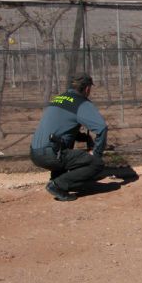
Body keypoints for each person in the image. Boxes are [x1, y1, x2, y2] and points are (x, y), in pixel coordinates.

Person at [30, 72, 108, 201]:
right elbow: (102, 128)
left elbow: (64, 128)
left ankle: (57, 180)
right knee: (96, 164)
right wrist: (97, 152)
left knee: (66, 148)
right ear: (87, 88)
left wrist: (85, 138)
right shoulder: (81, 103)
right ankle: (57, 185)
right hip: (52, 154)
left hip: (35, 152)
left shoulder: (57, 99)